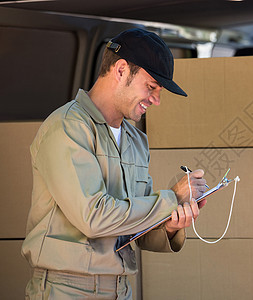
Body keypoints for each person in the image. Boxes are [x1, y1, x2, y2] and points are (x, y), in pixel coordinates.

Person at [21, 28, 207, 299]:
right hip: (67, 290)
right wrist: (170, 199)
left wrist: (171, 221)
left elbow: (136, 230)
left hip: (120, 290)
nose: (156, 99)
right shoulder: (67, 128)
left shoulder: (136, 142)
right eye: (152, 86)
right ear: (121, 70)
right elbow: (94, 218)